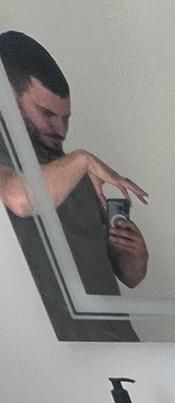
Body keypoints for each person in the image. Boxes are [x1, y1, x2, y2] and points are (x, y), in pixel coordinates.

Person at [0, 31, 149, 340]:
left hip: (119, 350)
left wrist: (132, 255)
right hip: (54, 360)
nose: (61, 129)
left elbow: (130, 276)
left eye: (66, 117)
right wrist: (83, 160)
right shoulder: (77, 165)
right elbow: (19, 198)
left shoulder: (77, 174)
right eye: (46, 114)